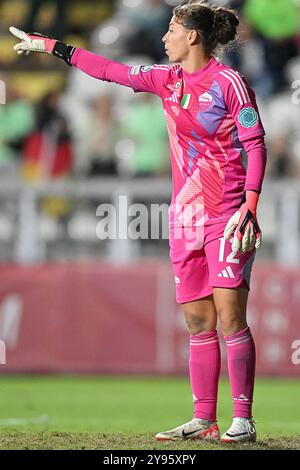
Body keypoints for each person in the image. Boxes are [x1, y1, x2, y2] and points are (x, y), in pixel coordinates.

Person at [9, 0, 267, 443]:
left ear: (192, 36)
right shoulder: (165, 81)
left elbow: (255, 143)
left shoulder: (229, 83)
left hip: (226, 215)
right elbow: (109, 70)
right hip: (184, 217)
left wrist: (250, 206)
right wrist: (52, 46)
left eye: (172, 29)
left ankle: (242, 418)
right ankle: (204, 419)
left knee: (230, 317)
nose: (164, 37)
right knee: (198, 322)